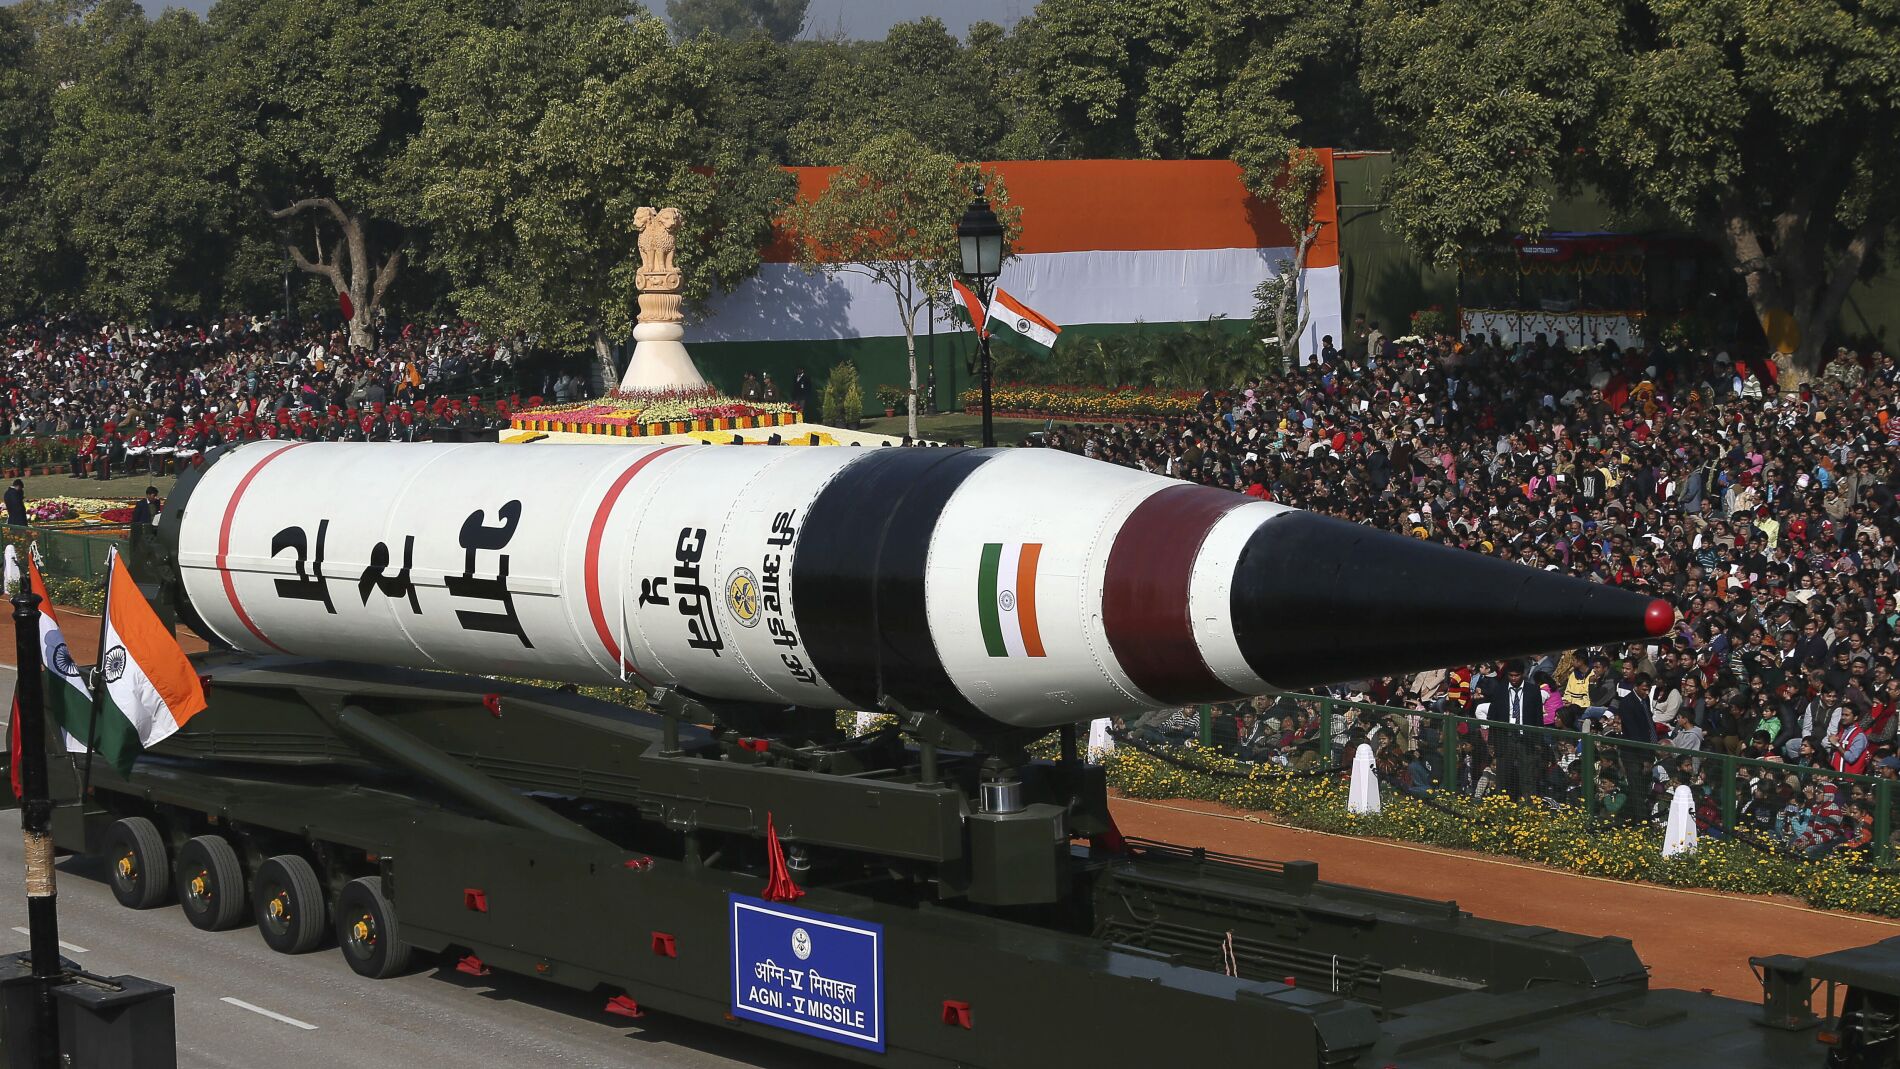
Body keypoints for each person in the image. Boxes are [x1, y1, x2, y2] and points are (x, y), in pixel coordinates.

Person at [1479, 659, 1541, 799]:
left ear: (1523, 674)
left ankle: (1529, 807)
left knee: (1527, 777)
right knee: (1503, 776)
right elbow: (1492, 717)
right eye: (1511, 675)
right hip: (1505, 738)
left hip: (1526, 739)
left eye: (1516, 675)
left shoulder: (1533, 691)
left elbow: (1538, 718)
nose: (1513, 679)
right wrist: (1491, 742)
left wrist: (1538, 741)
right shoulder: (1500, 690)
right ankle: (1503, 806)